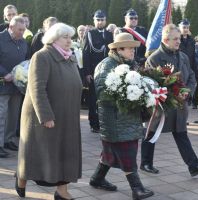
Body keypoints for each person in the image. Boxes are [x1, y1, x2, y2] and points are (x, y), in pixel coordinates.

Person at [16, 23, 82, 200]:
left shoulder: (70, 57)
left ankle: (62, 191)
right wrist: (45, 116)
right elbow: (37, 88)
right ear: (53, 39)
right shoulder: (42, 56)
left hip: (66, 114)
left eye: (70, 37)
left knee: (65, 152)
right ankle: (21, 177)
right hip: (45, 115)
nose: (69, 40)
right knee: (36, 154)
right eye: (65, 37)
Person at [140, 24, 198, 177]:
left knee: (181, 133)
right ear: (165, 39)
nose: (179, 41)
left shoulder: (183, 56)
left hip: (180, 105)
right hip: (162, 107)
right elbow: (153, 83)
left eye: (179, 38)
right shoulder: (154, 58)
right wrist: (173, 94)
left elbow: (192, 76)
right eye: (175, 39)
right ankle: (146, 163)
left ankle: (193, 165)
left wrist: (188, 92)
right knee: (152, 133)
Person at [92, 32, 154, 200]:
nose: (133, 51)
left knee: (110, 152)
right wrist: (129, 94)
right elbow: (102, 93)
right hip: (114, 119)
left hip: (127, 117)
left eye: (134, 48)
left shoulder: (130, 64)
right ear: (119, 49)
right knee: (127, 151)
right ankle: (137, 189)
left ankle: (97, 179)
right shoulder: (106, 65)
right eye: (130, 48)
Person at [0, 16, 28, 158]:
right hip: (3, 85)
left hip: (17, 86)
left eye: (24, 29)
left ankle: (8, 140)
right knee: (1, 115)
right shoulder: (1, 39)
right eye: (20, 30)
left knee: (13, 115)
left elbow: (25, 61)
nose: (22, 32)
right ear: (11, 27)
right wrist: (4, 73)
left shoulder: (23, 42)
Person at [82, 10, 113, 133]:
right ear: (94, 21)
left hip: (108, 71)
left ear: (106, 20)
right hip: (94, 71)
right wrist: (87, 73)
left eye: (102, 19)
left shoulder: (109, 35)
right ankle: (94, 124)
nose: (100, 22)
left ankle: (105, 122)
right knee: (93, 99)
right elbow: (86, 54)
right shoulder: (90, 34)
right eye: (98, 20)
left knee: (107, 98)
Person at [178, 18, 197, 108]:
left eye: (187, 27)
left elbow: (193, 55)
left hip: (189, 67)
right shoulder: (177, 40)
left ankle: (187, 103)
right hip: (179, 67)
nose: (185, 29)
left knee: (187, 87)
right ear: (180, 27)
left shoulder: (192, 40)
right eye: (184, 27)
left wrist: (194, 68)